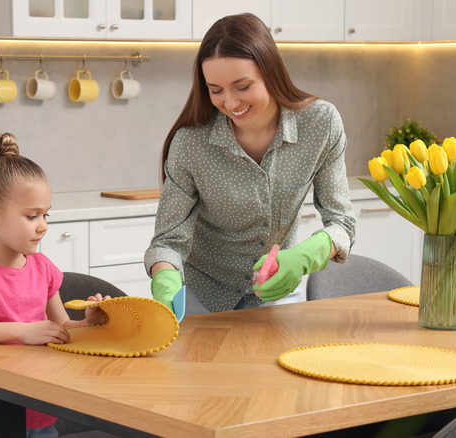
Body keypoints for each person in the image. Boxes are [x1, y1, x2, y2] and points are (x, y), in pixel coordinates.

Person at [144, 13, 355, 316]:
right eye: (215, 90)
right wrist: (165, 282)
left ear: (271, 72)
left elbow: (342, 223)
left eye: (242, 86)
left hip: (277, 290)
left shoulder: (320, 124)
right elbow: (167, 242)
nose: (229, 103)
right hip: (202, 296)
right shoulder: (191, 143)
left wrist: (306, 256)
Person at [0, 131, 109, 438]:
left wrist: (88, 324)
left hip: (40, 411)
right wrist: (22, 330)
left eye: (45, 214)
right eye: (31, 215)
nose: (43, 225)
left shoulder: (43, 268)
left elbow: (61, 330)